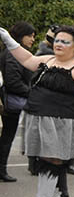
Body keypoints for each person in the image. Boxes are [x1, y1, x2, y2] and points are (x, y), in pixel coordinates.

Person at [0, 24, 74, 197]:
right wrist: (8, 39)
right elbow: (26, 58)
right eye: (57, 40)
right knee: (46, 160)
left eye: (65, 42)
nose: (59, 44)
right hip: (39, 118)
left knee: (51, 160)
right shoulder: (47, 60)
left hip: (62, 123)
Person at [0, 22, 36, 182]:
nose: (33, 39)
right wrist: (32, 93)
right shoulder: (13, 54)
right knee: (7, 137)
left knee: (7, 137)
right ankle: (1, 170)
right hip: (9, 102)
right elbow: (13, 81)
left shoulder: (15, 53)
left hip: (9, 101)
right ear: (21, 36)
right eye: (30, 35)